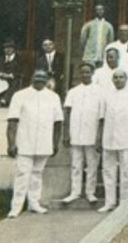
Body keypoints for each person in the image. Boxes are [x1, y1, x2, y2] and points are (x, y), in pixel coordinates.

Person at [6, 70, 63, 218]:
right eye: (37, 76)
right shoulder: (20, 95)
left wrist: (55, 143)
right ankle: (16, 207)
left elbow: (58, 123)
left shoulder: (53, 97)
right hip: (25, 142)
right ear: (31, 78)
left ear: (47, 80)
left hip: (44, 142)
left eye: (43, 77)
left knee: (37, 174)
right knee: (22, 175)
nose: (39, 79)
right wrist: (11, 143)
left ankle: (34, 203)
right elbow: (12, 121)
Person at [97, 70, 128, 213]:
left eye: (121, 77)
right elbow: (102, 119)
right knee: (108, 171)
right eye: (115, 78)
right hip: (108, 138)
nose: (118, 80)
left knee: (125, 171)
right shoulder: (106, 95)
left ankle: (124, 202)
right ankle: (109, 202)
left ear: (126, 79)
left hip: (126, 139)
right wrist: (99, 138)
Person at [61, 63, 103, 204]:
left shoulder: (100, 91)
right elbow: (67, 113)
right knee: (76, 164)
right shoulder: (73, 91)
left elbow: (102, 116)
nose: (85, 75)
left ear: (92, 73)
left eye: (87, 72)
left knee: (92, 164)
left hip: (92, 133)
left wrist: (99, 136)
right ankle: (75, 192)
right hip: (75, 133)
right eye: (82, 72)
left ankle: (90, 192)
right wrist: (66, 133)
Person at [0, 39, 23, 107]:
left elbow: (21, 71)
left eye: (10, 48)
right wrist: (1, 74)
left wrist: (10, 75)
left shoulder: (19, 59)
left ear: (14, 49)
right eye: (6, 48)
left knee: (15, 83)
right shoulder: (1, 59)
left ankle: (4, 100)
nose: (8, 50)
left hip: (13, 78)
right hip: (1, 77)